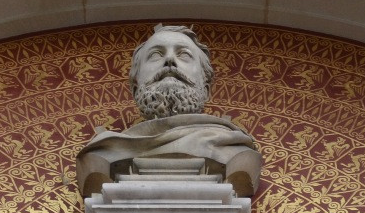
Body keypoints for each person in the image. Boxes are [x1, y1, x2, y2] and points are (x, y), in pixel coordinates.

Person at [76, 24, 261, 197]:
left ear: (206, 89)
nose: (170, 60)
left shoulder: (233, 147)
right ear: (135, 88)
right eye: (156, 55)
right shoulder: (103, 150)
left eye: (184, 55)